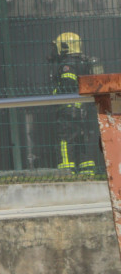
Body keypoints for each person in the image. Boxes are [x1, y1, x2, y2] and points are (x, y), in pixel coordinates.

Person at [49, 31, 101, 173]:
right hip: (85, 110)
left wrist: (54, 94)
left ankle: (66, 170)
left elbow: (67, 85)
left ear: (65, 46)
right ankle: (87, 170)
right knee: (83, 140)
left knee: (65, 140)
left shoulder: (67, 64)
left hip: (68, 109)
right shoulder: (85, 62)